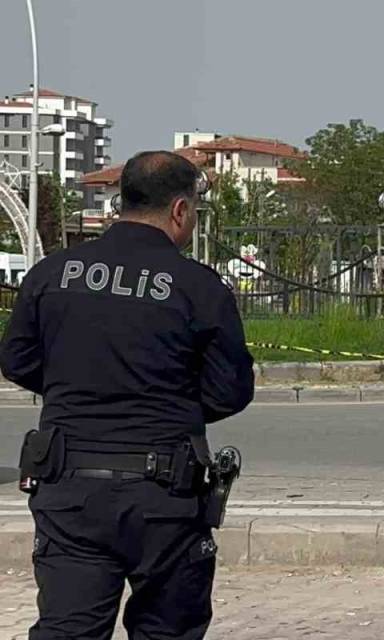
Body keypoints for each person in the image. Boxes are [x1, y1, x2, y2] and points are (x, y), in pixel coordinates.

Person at [1, 151, 255, 638]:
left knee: (68, 630)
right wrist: (168, 403)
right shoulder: (198, 288)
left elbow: (16, 360)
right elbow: (231, 390)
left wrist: (78, 390)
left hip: (70, 490)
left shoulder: (53, 273)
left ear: (123, 200)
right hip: (164, 496)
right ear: (180, 209)